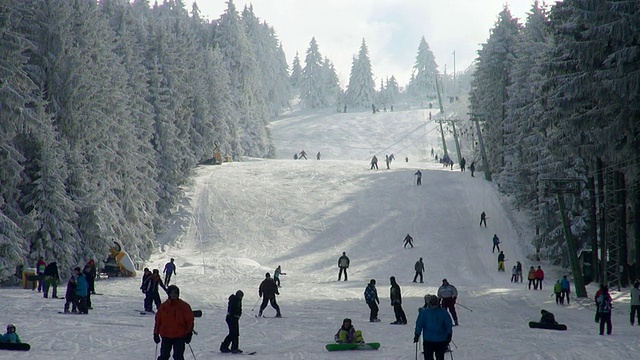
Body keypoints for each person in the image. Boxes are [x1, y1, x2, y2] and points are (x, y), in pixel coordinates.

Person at [154, 285, 195, 360]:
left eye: (176, 293)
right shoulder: (163, 306)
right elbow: (158, 320)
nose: (174, 295)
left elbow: (189, 320)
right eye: (172, 293)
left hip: (179, 336)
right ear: (169, 294)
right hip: (166, 335)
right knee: (164, 356)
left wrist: (189, 333)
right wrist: (156, 333)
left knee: (178, 357)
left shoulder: (184, 306)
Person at [414, 295, 453, 360]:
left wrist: (449, 333)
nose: (434, 306)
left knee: (439, 357)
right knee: (429, 357)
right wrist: (417, 334)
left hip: (440, 340)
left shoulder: (443, 312)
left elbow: (448, 324)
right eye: (433, 304)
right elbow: (419, 324)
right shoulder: (425, 312)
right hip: (429, 340)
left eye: (435, 304)